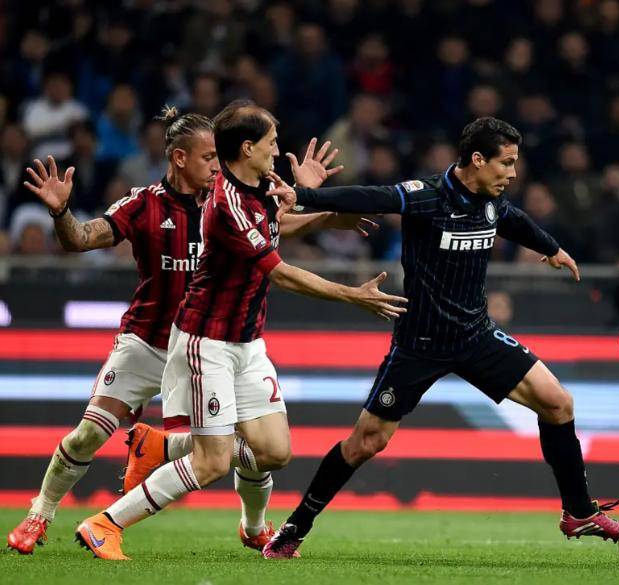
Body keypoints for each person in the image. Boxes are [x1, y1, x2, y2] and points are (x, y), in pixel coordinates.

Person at [6, 108, 375, 556]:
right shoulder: (145, 204)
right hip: (151, 342)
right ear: (179, 158)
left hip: (219, 340)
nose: (217, 166)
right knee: (92, 435)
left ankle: (246, 518)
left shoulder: (230, 196)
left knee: (264, 446)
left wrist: (319, 212)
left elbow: (270, 229)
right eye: (208, 158)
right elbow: (80, 239)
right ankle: (40, 513)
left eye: (219, 157)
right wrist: (62, 211)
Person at [260, 117, 619, 559]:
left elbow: (513, 221)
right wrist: (303, 196)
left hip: (476, 336)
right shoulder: (427, 197)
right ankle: (295, 527)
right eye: (506, 163)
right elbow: (373, 197)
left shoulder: (491, 201)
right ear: (478, 159)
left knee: (558, 403)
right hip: (420, 345)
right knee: (366, 442)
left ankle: (579, 512)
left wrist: (551, 248)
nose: (513, 173)